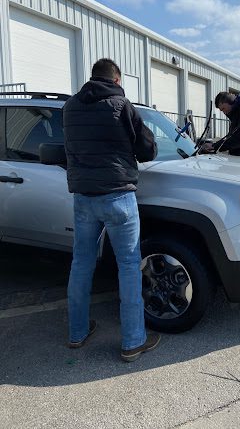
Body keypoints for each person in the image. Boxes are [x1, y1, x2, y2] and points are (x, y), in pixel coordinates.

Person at [63, 58, 160, 362]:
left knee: (81, 263)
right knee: (129, 265)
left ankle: (77, 333)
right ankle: (132, 341)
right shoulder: (121, 104)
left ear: (92, 77)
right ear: (116, 80)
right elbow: (147, 150)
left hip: (83, 197)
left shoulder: (69, 108)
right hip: (118, 196)